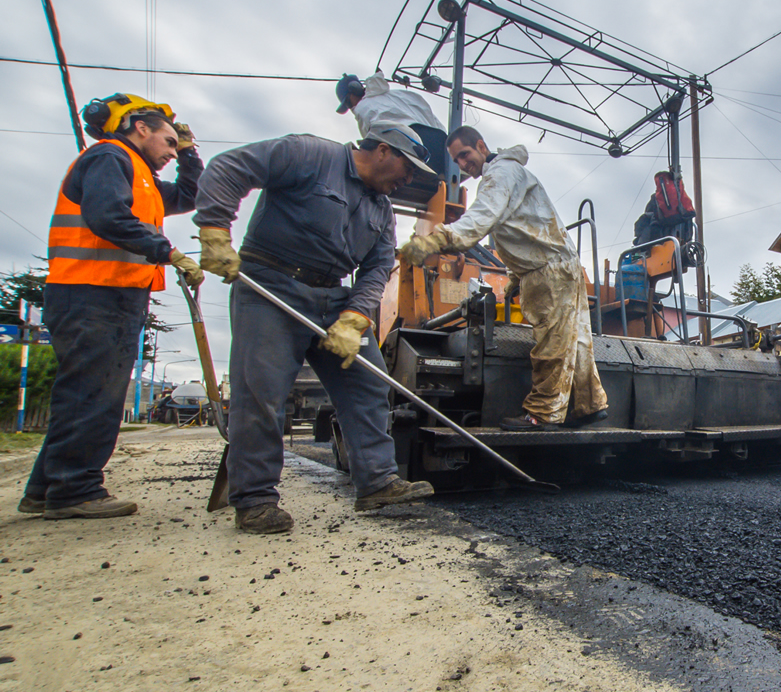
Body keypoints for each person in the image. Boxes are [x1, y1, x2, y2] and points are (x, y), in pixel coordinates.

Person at [194, 120, 438, 534]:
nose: (408, 180)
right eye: (407, 169)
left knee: (369, 383)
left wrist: (355, 317)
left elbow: (378, 267)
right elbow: (229, 167)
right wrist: (215, 229)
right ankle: (255, 500)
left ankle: (377, 482)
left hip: (332, 298)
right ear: (383, 151)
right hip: (270, 286)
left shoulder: (381, 209)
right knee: (261, 393)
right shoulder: (310, 154)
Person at [20, 94, 204, 519]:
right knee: (93, 394)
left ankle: (44, 489)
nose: (170, 150)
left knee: (85, 392)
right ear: (141, 127)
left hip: (107, 293)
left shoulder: (138, 174)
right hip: (91, 292)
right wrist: (166, 250)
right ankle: (74, 491)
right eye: (168, 141)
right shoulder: (109, 158)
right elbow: (106, 216)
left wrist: (190, 154)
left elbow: (188, 197)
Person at [397, 125, 608, 431]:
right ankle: (590, 404)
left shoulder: (499, 174)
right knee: (575, 340)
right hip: (557, 266)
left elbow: (482, 217)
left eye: (465, 154)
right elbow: (519, 230)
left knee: (552, 341)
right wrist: (515, 277)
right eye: (457, 159)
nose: (462, 164)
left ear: (482, 146)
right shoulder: (509, 174)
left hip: (547, 270)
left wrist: (436, 239)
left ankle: (544, 412)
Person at [336, 71, 447, 177]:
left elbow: (372, 145)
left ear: (355, 90)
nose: (351, 108)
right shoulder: (402, 94)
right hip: (442, 149)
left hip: (410, 149)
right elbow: (438, 124)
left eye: (348, 102)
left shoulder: (363, 107)